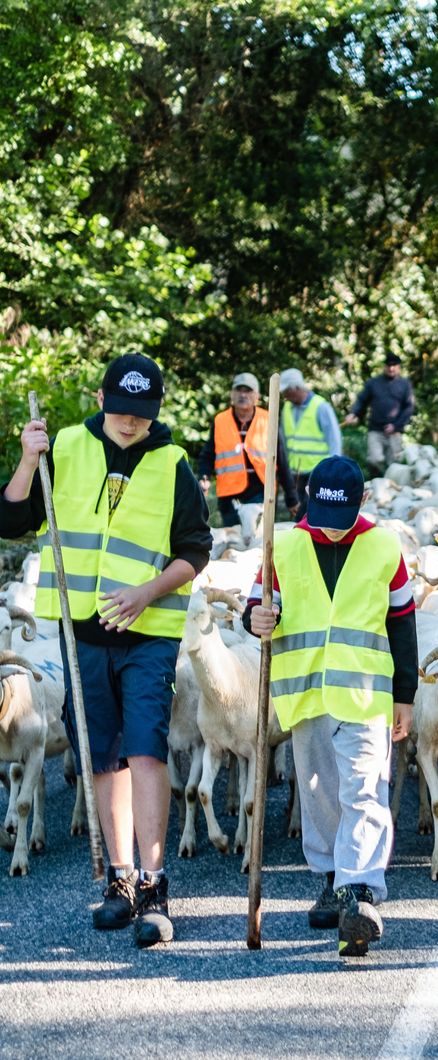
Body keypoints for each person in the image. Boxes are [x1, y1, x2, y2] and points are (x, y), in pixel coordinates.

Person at [1, 354, 212, 948]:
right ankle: (119, 879)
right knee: (102, 754)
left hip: (147, 633)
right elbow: (11, 518)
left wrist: (148, 591)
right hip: (81, 632)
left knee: (146, 749)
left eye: (140, 415)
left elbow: (195, 550)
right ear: (101, 397)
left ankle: (154, 885)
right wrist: (27, 457)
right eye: (120, 410)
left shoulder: (172, 463)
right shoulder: (64, 445)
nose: (128, 423)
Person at [245, 455, 418, 957]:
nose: (332, 531)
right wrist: (255, 619)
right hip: (305, 692)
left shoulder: (385, 547)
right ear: (307, 501)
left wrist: (404, 695)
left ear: (362, 502)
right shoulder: (285, 544)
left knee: (365, 789)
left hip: (365, 693)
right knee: (318, 793)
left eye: (342, 520)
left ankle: (359, 891)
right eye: (323, 517)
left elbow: (402, 625)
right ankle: (329, 876)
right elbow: (254, 607)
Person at [196, 372, 301, 531]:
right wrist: (203, 477)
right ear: (232, 394)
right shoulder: (220, 420)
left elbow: (281, 460)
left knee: (255, 541)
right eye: (239, 390)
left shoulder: (268, 420)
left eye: (248, 391)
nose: (243, 395)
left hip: (260, 493)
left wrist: (291, 498)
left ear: (256, 396)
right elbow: (208, 454)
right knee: (233, 538)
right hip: (229, 494)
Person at [344, 353, 414, 478]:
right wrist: (353, 413)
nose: (391, 368)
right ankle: (378, 482)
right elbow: (361, 400)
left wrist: (396, 426)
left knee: (394, 465)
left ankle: (391, 490)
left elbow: (408, 408)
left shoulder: (405, 384)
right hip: (375, 430)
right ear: (384, 366)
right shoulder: (373, 383)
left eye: (394, 365)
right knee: (374, 460)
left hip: (395, 431)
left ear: (399, 367)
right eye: (389, 365)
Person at [279, 367, 342, 506]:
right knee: (299, 512)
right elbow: (283, 441)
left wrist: (333, 470)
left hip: (318, 471)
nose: (285, 395)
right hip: (296, 472)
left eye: (286, 391)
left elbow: (334, 441)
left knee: (313, 510)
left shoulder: (321, 407)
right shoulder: (287, 409)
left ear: (295, 388)